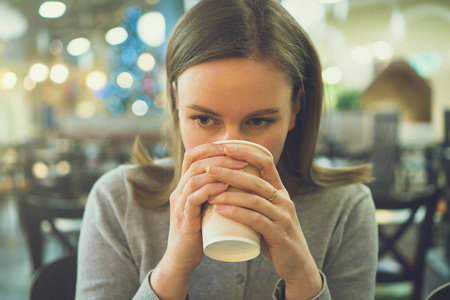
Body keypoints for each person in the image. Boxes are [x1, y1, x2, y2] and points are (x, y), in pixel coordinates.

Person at [76, 0, 378, 299]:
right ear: (176, 99)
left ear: (296, 106)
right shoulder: (118, 200)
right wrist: (174, 269)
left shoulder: (345, 207)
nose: (229, 150)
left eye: (258, 121)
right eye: (204, 119)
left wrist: (302, 279)